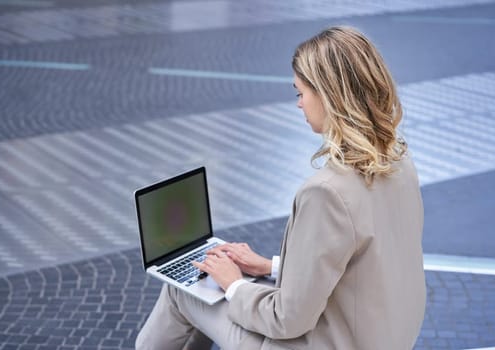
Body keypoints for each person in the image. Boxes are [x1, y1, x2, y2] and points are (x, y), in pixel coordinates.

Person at [136, 26, 426, 350]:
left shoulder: (326, 193)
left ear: (329, 95)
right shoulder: (398, 161)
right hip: (381, 338)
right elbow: (360, 268)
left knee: (182, 290)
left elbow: (287, 320)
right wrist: (269, 268)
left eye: (300, 93)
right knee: (216, 282)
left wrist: (233, 284)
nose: (299, 104)